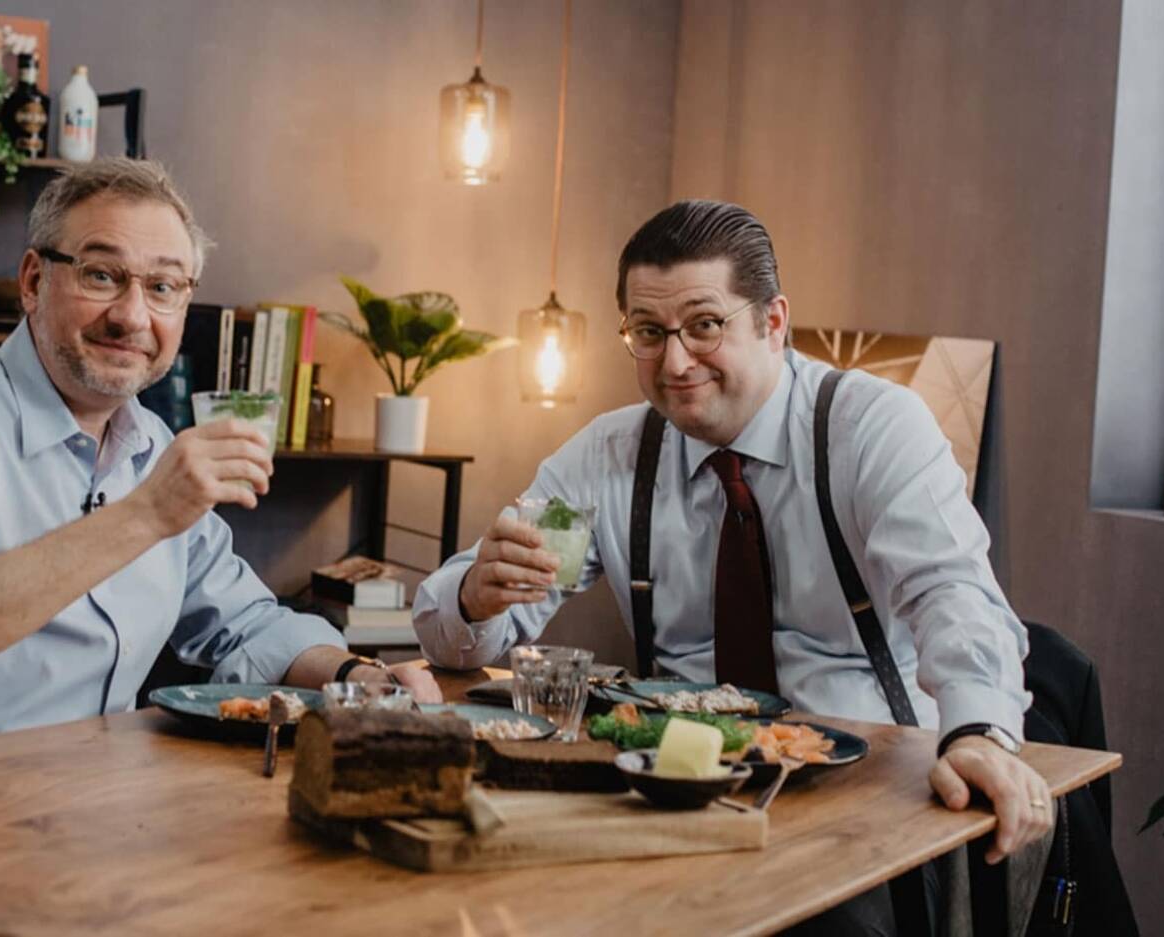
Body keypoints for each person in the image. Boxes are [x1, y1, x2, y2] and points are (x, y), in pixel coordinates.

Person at [414, 200, 1052, 931]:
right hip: (678, 798)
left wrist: (978, 732)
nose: (676, 360)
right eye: (649, 333)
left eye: (705, 325)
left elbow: (952, 593)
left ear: (773, 321)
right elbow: (451, 624)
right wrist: (475, 596)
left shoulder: (871, 429)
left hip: (868, 799)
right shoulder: (608, 457)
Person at [0, 157, 439, 748]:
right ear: (34, 281)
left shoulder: (154, 446)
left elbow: (248, 624)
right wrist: (143, 515)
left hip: (103, 814)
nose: (132, 315)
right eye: (101, 275)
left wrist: (360, 679)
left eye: (163, 286)